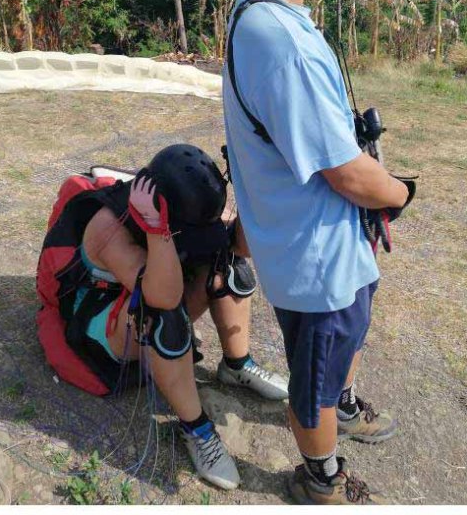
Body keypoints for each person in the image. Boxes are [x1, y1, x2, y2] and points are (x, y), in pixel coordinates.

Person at [223, 0, 416, 505]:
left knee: (335, 356)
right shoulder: (279, 42)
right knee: (312, 384)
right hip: (317, 266)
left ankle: (342, 403)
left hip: (322, 252)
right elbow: (345, 173)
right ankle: (320, 475)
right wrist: (400, 192)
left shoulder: (261, 16)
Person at [36, 144, 289, 491]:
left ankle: (236, 364)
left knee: (227, 267)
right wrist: (158, 231)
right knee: (160, 316)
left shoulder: (188, 207)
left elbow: (241, 247)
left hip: (147, 282)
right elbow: (163, 297)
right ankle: (196, 428)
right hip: (102, 328)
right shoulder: (111, 231)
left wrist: (248, 192)